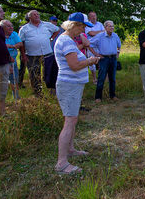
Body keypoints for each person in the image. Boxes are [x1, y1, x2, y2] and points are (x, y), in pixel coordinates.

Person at [54, 12, 100, 174]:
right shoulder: (66, 41)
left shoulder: (69, 40)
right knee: (69, 122)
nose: (84, 30)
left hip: (73, 85)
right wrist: (90, 61)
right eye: (82, 27)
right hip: (69, 86)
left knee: (72, 120)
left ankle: (70, 149)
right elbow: (74, 65)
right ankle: (61, 163)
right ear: (74, 25)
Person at [19, 10, 60, 96]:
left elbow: (57, 30)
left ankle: (52, 91)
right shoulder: (24, 29)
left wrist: (51, 38)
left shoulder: (47, 25)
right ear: (29, 17)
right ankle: (38, 93)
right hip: (32, 55)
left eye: (37, 14)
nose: (37, 15)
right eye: (34, 15)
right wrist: (23, 55)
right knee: (34, 74)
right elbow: (21, 43)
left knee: (50, 72)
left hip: (47, 53)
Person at [93, 20, 121, 102]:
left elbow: (119, 45)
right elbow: (89, 44)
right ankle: (98, 97)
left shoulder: (115, 36)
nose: (112, 28)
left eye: (113, 26)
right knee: (101, 78)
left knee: (112, 78)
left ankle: (112, 95)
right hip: (104, 59)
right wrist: (96, 54)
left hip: (113, 58)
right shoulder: (100, 36)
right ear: (105, 27)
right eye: (110, 26)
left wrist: (118, 53)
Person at [0, 20, 23, 100]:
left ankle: (16, 98)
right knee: (0, 81)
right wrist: (13, 46)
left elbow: (20, 44)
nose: (11, 27)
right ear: (2, 28)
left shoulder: (14, 34)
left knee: (14, 78)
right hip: (1, 61)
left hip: (13, 61)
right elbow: (0, 47)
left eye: (11, 25)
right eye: (8, 26)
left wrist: (11, 46)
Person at [85, 11, 105, 84]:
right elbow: (91, 33)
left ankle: (102, 77)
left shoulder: (100, 24)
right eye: (92, 16)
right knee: (92, 62)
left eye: (95, 16)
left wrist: (96, 32)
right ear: (89, 17)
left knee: (101, 60)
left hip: (99, 45)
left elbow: (104, 33)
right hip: (90, 46)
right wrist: (100, 31)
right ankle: (94, 79)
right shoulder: (87, 25)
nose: (94, 17)